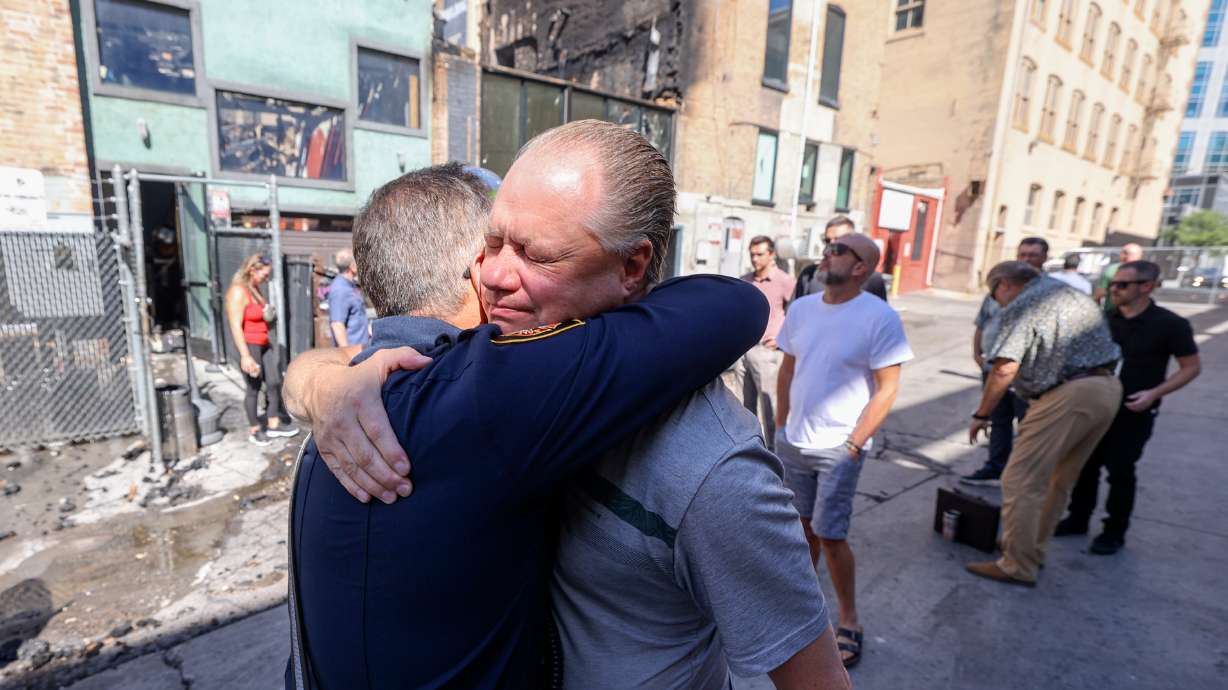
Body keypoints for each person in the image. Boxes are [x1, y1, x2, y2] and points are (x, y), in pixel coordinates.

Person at [286, 124, 849, 689]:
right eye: (493, 243)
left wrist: (316, 379)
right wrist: (321, 380)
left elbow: (814, 679)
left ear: (632, 267)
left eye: (536, 254)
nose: (494, 275)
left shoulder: (709, 464)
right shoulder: (473, 381)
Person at [774, 232, 913, 668]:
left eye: (838, 250)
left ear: (860, 268)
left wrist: (855, 443)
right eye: (828, 246)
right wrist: (780, 425)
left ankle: (850, 618)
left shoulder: (880, 318)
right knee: (803, 530)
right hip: (795, 441)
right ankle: (802, 607)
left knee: (831, 535)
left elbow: (887, 390)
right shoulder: (801, 309)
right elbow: (788, 368)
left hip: (840, 445)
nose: (826, 253)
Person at [965, 261, 1122, 587]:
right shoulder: (1068, 293)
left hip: (1068, 394)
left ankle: (1016, 564)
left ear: (1005, 284)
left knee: (1020, 478)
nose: (998, 302)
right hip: (1106, 387)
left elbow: (1004, 368)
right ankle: (1030, 551)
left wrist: (982, 414)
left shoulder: (1024, 304)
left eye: (996, 294)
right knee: (1057, 478)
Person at [1057, 261, 1201, 555]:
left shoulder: (1171, 325)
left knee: (1120, 470)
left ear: (1146, 287)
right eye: (1112, 284)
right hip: (1096, 406)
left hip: (1134, 410)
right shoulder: (1103, 320)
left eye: (1122, 285)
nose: (1114, 290)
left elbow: (1191, 367)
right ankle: (1078, 518)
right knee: (1085, 465)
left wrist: (1153, 394)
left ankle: (1114, 532)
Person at [960, 237, 1049, 486]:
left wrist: (979, 414)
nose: (1027, 259)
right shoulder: (998, 288)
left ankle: (1022, 476)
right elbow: (982, 323)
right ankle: (996, 467)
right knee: (998, 421)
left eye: (1033, 255)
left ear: (1044, 258)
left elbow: (1010, 364)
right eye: (1023, 254)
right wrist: (978, 354)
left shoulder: (1044, 295)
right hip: (995, 365)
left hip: (1027, 374)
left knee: (1028, 426)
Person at [224, 254, 298, 446]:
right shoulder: (238, 291)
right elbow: (234, 325)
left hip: (264, 343)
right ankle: (255, 429)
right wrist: (245, 356)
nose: (267, 279)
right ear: (252, 270)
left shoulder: (254, 289)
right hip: (249, 345)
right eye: (264, 275)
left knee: (274, 382)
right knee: (254, 387)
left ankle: (273, 424)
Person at [730, 235, 794, 448]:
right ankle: (749, 450)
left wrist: (784, 339)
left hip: (767, 353)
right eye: (752, 254)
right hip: (744, 350)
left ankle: (775, 454)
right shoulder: (745, 280)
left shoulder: (784, 281)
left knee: (770, 408)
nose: (754, 259)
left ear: (772, 254)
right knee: (744, 406)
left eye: (759, 254)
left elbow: (797, 312)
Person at [795, 216, 888, 302]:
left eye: (839, 242)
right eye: (827, 241)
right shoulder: (809, 274)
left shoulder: (872, 280)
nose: (830, 247)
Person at [326, 248, 369, 347]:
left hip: (360, 348)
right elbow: (337, 325)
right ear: (352, 267)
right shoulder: (340, 290)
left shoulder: (350, 286)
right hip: (352, 353)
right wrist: (347, 355)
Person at [1093, 242, 1145, 312]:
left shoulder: (1145, 272)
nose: (1122, 255)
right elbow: (1099, 294)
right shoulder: (1112, 270)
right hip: (1113, 315)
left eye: (1126, 253)